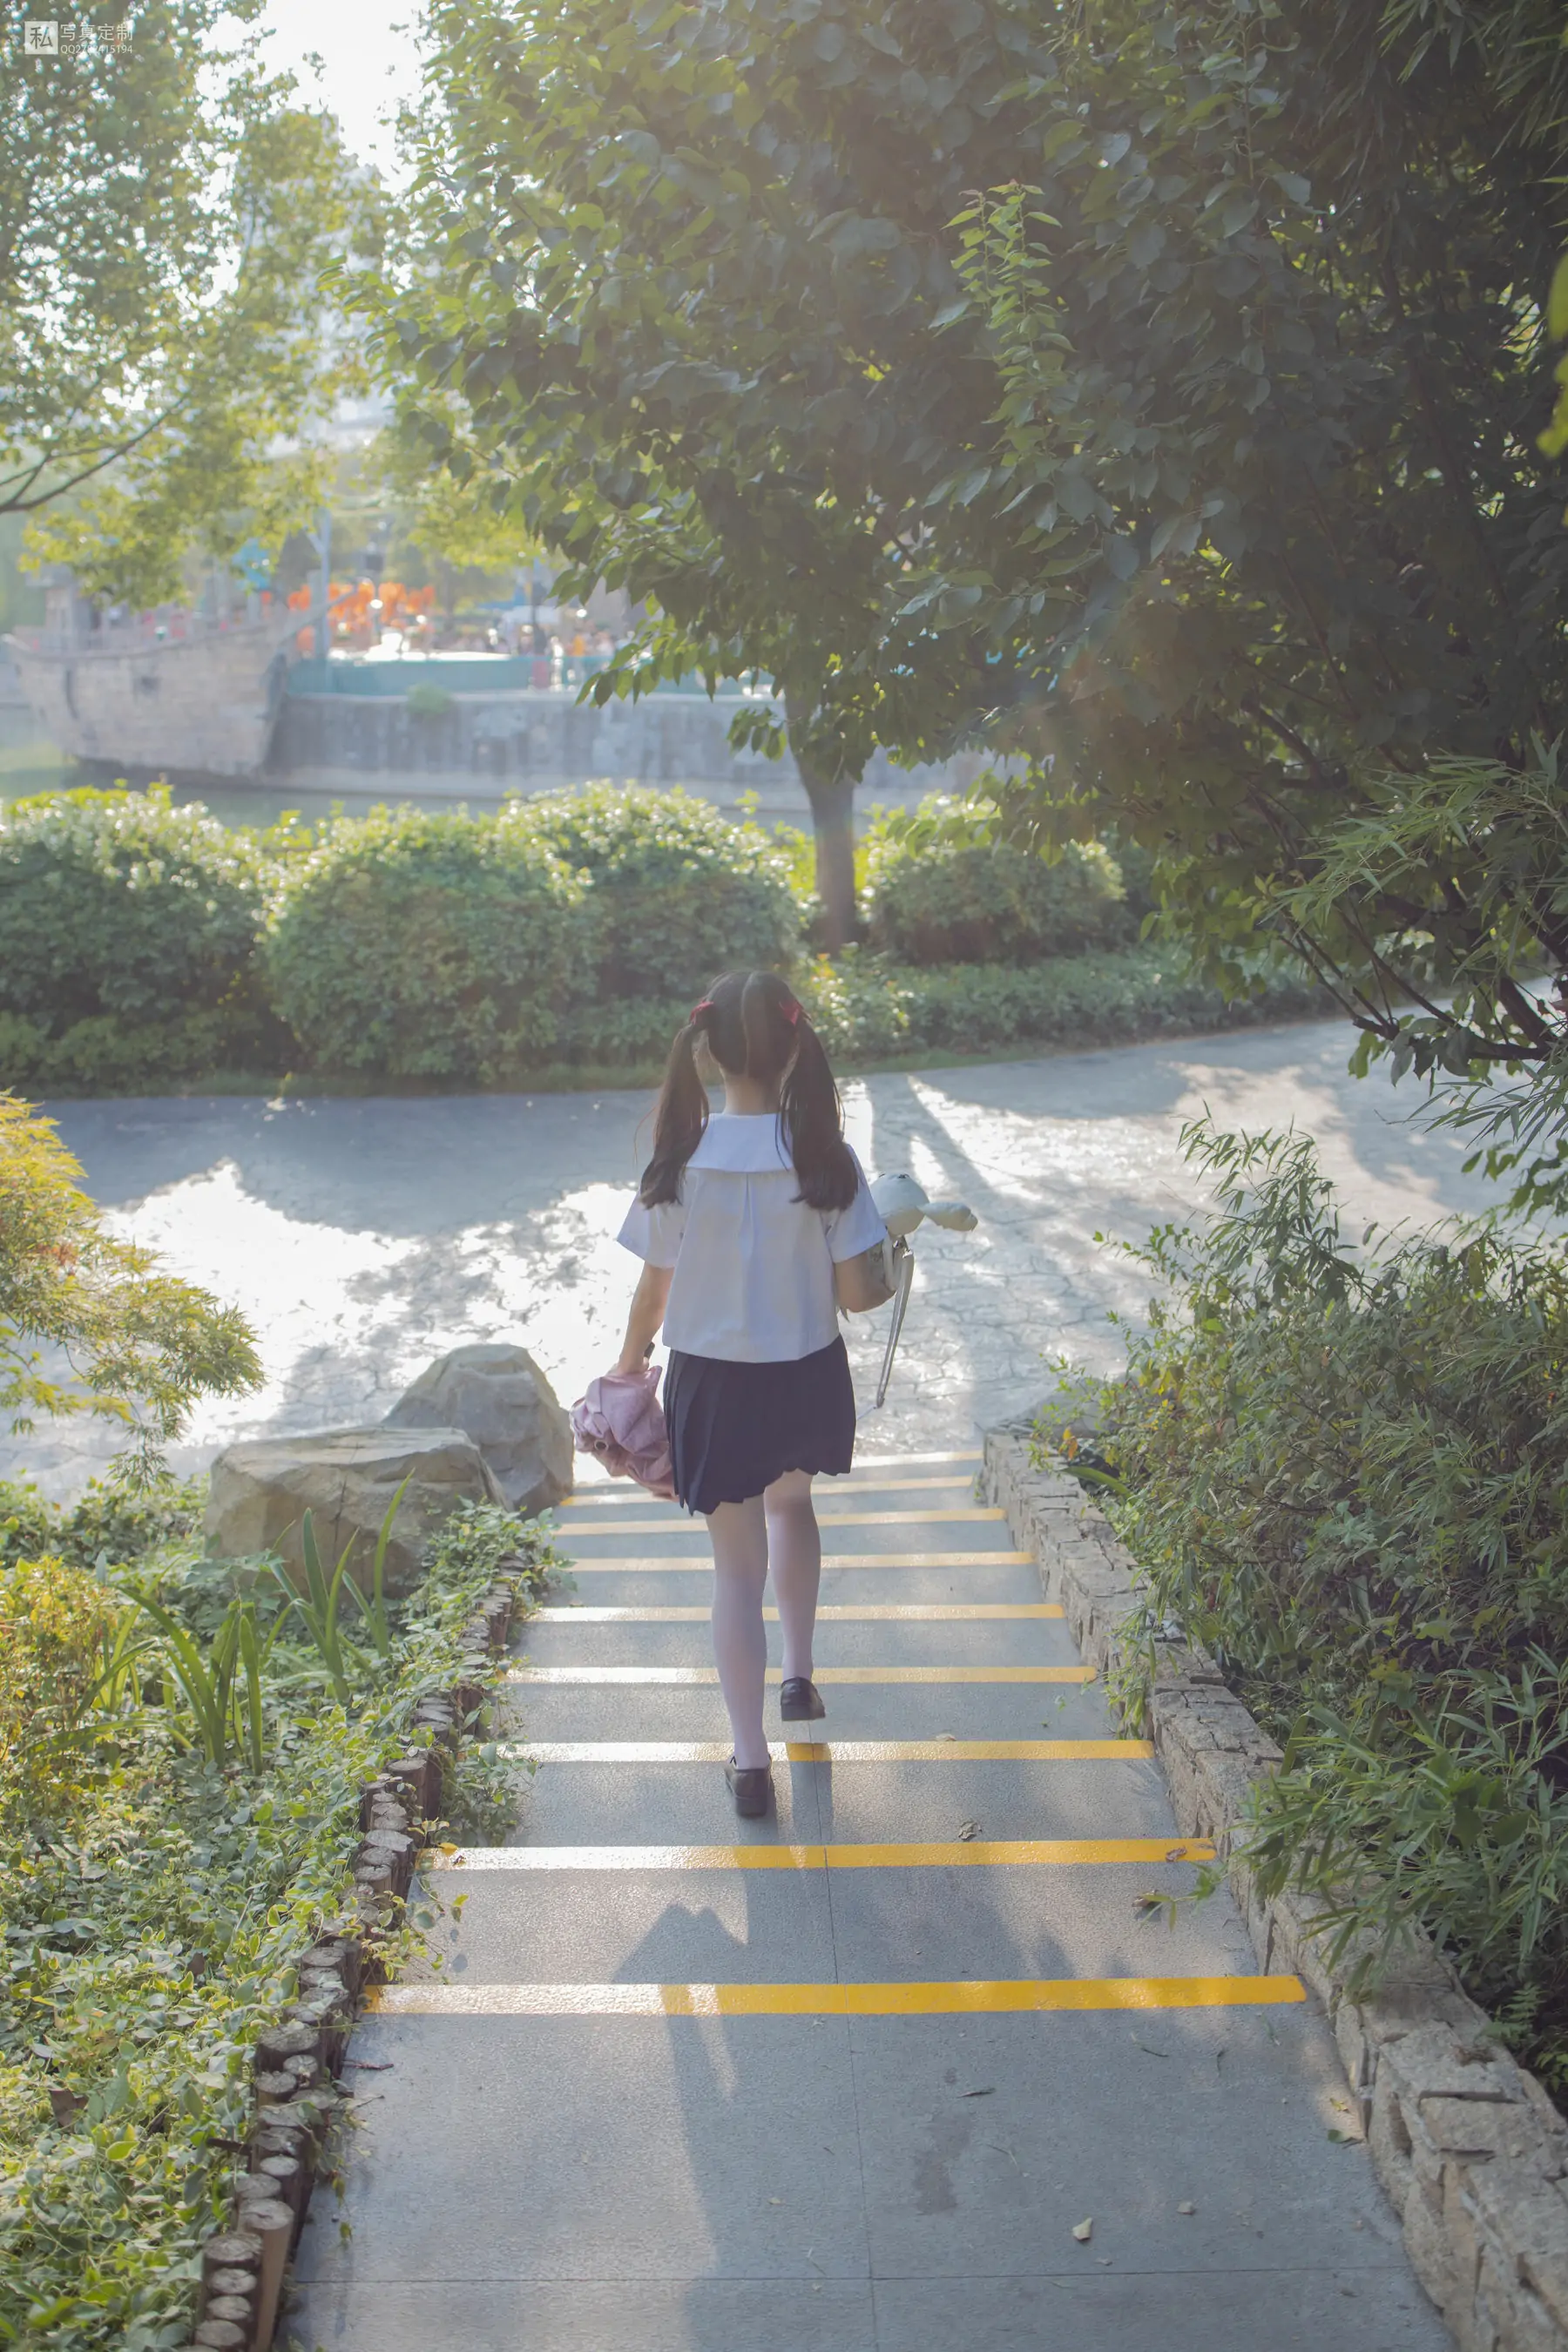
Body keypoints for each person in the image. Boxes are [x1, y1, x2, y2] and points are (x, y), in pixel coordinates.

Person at [612, 969, 890, 1816]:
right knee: (792, 1508)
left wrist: (626, 1367)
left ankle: (750, 1762)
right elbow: (860, 1295)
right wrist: (892, 1255)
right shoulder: (825, 1158)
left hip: (713, 1385)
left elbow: (653, 1292)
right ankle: (799, 1678)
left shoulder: (680, 1161)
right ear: (795, 1048)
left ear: (708, 1053)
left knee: (735, 1572)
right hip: (804, 1371)